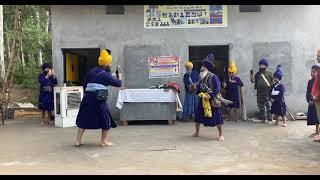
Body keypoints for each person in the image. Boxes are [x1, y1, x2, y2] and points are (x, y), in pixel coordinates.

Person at [75, 49, 122, 147]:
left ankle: (78, 141)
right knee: (105, 118)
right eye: (109, 63)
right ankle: (103, 141)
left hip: (87, 98)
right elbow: (119, 84)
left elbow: (84, 83)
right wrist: (119, 75)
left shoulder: (91, 72)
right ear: (106, 64)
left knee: (84, 117)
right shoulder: (106, 75)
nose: (110, 65)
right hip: (99, 98)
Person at [193, 53, 224, 141]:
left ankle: (221, 134)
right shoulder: (202, 78)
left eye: (203, 66)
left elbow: (217, 89)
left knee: (217, 117)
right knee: (198, 116)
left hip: (212, 100)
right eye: (202, 66)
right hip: (202, 99)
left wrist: (209, 95)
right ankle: (197, 132)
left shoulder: (214, 77)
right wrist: (196, 89)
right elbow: (198, 88)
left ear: (207, 68)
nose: (201, 68)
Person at [250, 58, 273, 123]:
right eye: (260, 65)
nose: (261, 66)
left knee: (268, 105)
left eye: (263, 65)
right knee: (260, 105)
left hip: (267, 92)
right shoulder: (257, 74)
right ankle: (263, 118)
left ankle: (269, 118)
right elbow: (253, 81)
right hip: (259, 92)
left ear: (266, 66)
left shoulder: (270, 73)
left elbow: (273, 82)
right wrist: (251, 77)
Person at [306, 65, 319, 138]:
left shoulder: (319, 82)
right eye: (311, 72)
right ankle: (317, 131)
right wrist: (309, 100)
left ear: (318, 72)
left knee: (318, 117)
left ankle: (318, 132)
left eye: (314, 72)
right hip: (311, 102)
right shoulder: (310, 82)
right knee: (315, 117)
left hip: (317, 102)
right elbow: (308, 92)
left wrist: (315, 100)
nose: (312, 73)